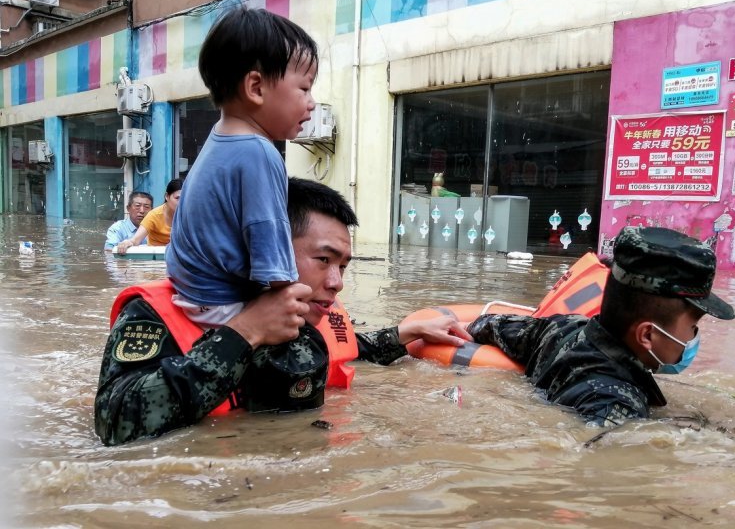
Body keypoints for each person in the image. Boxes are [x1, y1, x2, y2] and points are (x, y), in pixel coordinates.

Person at [94, 178, 470, 446]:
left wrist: (407, 333)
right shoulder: (158, 313)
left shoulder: (311, 311)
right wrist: (244, 333)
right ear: (265, 247)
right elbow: (114, 422)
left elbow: (349, 348)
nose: (337, 282)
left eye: (344, 265)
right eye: (323, 260)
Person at [467, 225, 735, 427]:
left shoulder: (561, 328)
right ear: (647, 335)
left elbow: (488, 324)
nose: (694, 338)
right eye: (692, 326)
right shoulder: (616, 405)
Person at [165, 6, 319, 328]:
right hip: (224, 306)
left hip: (193, 295)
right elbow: (274, 261)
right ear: (256, 88)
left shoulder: (219, 139)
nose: (312, 101)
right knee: (308, 331)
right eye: (304, 88)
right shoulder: (259, 152)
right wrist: (304, 300)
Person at [116, 179, 183, 253]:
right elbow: (136, 240)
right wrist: (127, 243)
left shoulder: (191, 216)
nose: (182, 202)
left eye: (185, 198)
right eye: (177, 198)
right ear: (167, 196)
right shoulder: (154, 215)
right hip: (156, 258)